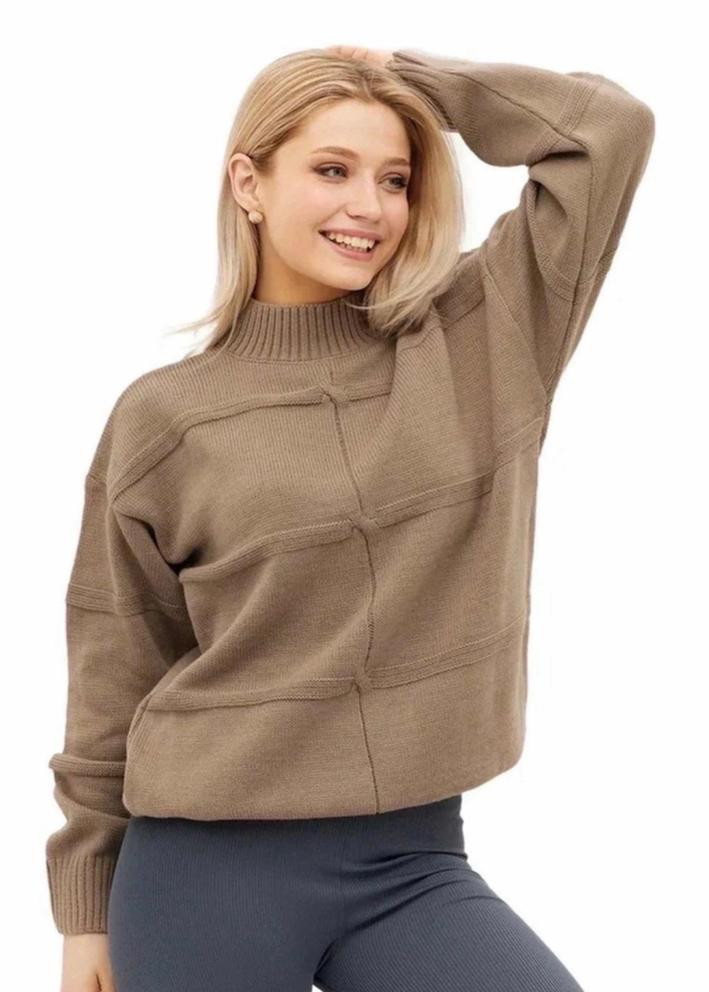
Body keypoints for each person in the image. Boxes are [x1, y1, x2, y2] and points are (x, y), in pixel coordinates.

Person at [46, 44, 655, 992]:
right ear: (248, 183)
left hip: (413, 865)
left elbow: (607, 131)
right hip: (203, 872)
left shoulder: (484, 335)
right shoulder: (166, 417)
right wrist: (86, 911)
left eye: (395, 178)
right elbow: (115, 671)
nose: (368, 206)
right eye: (332, 170)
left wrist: (413, 82)